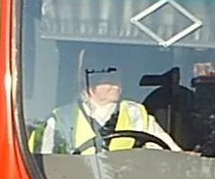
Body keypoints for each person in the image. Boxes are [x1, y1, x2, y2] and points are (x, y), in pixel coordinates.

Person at [30, 58, 179, 155]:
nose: (116, 84)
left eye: (118, 78)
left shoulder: (137, 114)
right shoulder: (60, 119)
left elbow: (169, 152)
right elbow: (42, 163)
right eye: (108, 79)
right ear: (87, 84)